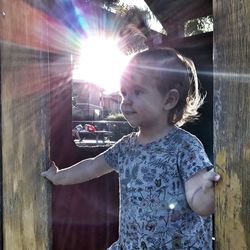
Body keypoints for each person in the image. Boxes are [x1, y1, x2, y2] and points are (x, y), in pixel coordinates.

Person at [42, 48, 220, 249]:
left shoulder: (185, 146)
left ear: (169, 100)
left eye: (137, 92)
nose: (126, 101)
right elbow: (91, 167)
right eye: (124, 93)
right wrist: (59, 176)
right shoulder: (126, 147)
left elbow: (199, 203)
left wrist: (207, 190)